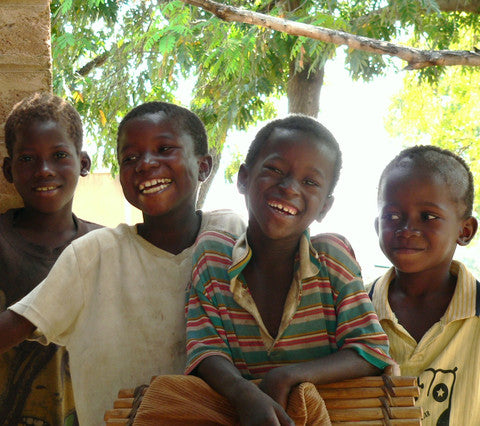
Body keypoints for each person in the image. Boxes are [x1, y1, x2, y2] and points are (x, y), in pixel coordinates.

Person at [0, 101, 245, 425]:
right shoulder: (91, 256)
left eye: (164, 149)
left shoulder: (230, 236)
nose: (145, 164)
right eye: (130, 158)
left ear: (204, 166)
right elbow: (17, 326)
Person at [153, 115, 392, 425]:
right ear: (243, 178)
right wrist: (243, 394)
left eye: (310, 182)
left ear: (325, 207)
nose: (289, 187)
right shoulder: (214, 258)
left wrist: (286, 377)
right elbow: (204, 351)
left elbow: (370, 349)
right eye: (275, 170)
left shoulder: (332, 258)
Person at [0, 93, 101, 425]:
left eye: (59, 155)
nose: (44, 171)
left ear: (83, 163)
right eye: (27, 159)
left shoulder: (105, 248)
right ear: (8, 169)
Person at [368, 145, 479, 425]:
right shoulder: (351, 309)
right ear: (376, 225)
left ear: (465, 231)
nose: (406, 229)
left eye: (428, 217)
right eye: (392, 216)